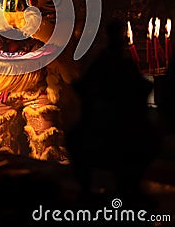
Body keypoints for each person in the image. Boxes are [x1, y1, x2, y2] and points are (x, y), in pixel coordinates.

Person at [66, 19, 161, 201]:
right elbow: (84, 86)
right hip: (100, 126)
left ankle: (129, 187)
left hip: (126, 127)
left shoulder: (123, 65)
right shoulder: (103, 63)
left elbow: (142, 87)